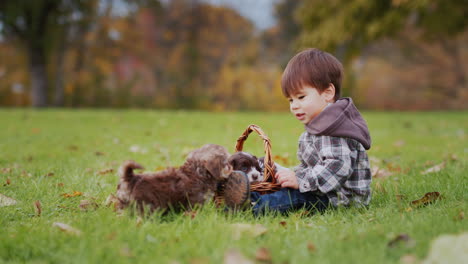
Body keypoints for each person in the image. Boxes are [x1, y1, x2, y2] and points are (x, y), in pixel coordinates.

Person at [224, 48, 372, 215]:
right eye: (290, 100)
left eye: (301, 97)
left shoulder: (334, 129)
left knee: (291, 198)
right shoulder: (318, 126)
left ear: (328, 93)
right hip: (322, 190)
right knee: (287, 191)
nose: (294, 105)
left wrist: (300, 180)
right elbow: (311, 167)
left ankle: (252, 205)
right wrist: (290, 175)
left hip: (340, 199)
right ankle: (242, 194)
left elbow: (337, 167)